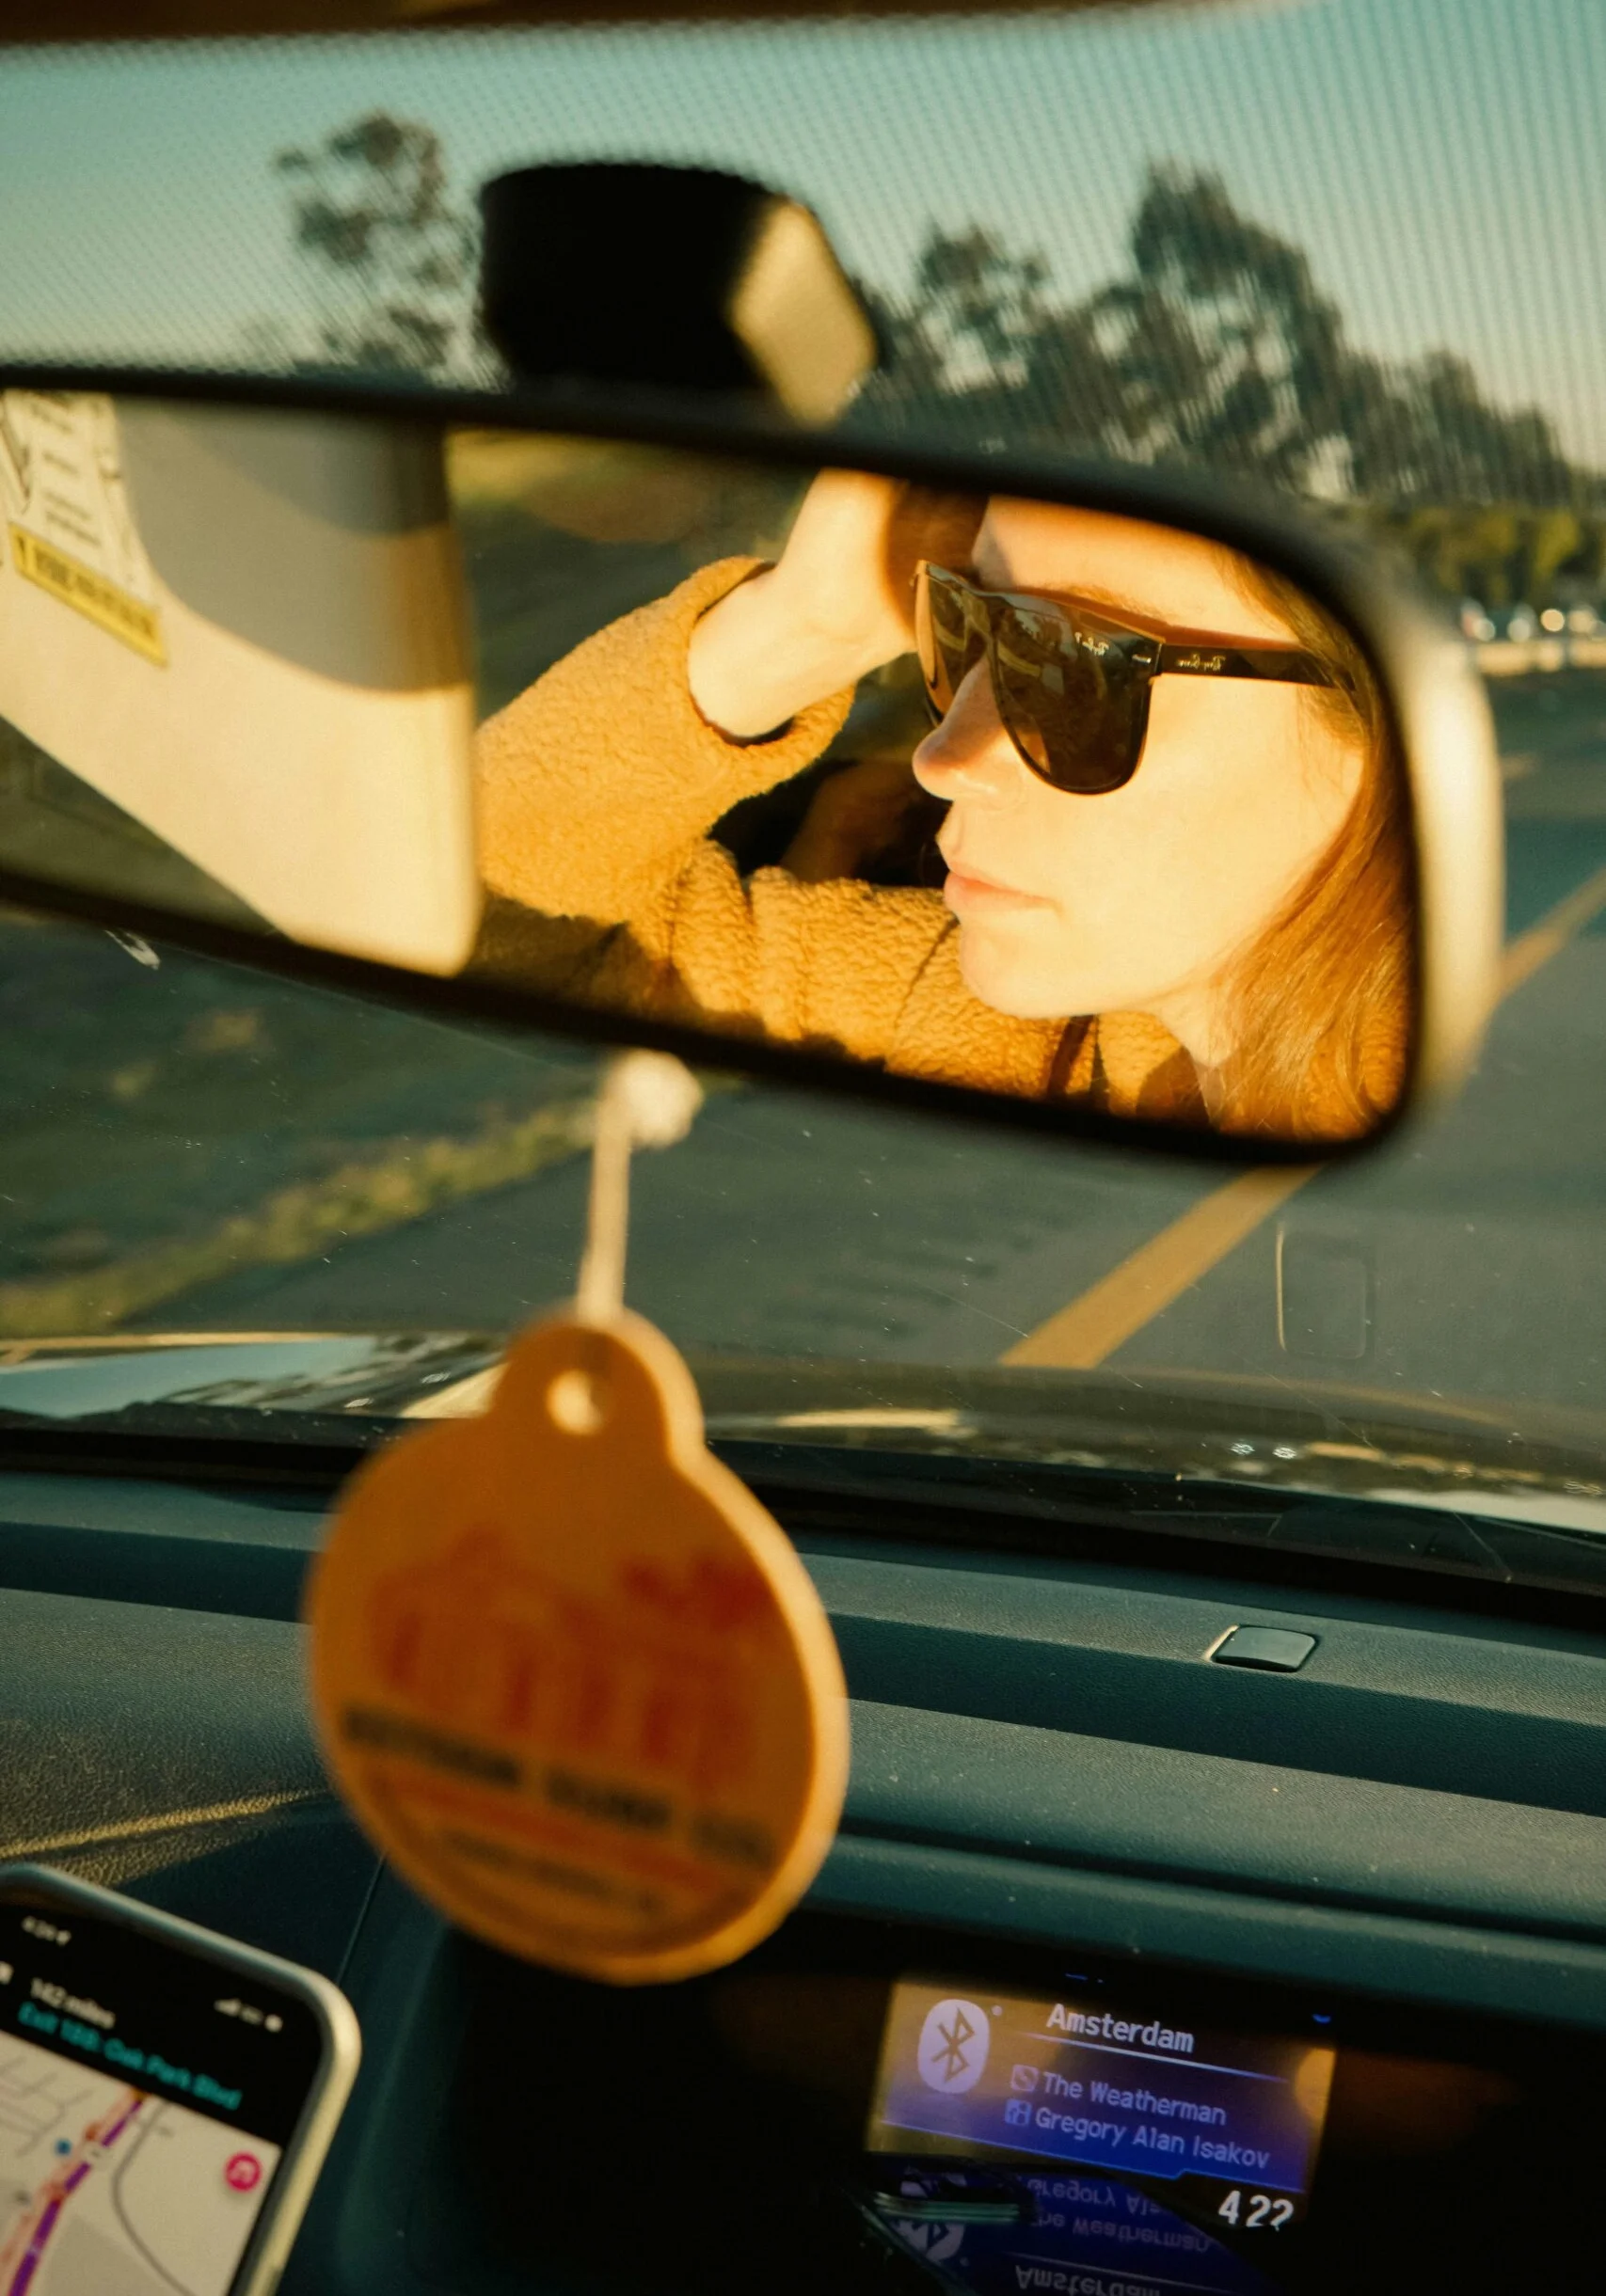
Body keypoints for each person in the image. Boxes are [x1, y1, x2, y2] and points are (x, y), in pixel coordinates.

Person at [472, 472, 1410, 1141]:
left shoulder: (1491, 1125)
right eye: (962, 626)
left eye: (1075, 667)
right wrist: (798, 629)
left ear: (1374, 742)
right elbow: (480, 914)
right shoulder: (977, 1020)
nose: (942, 758)